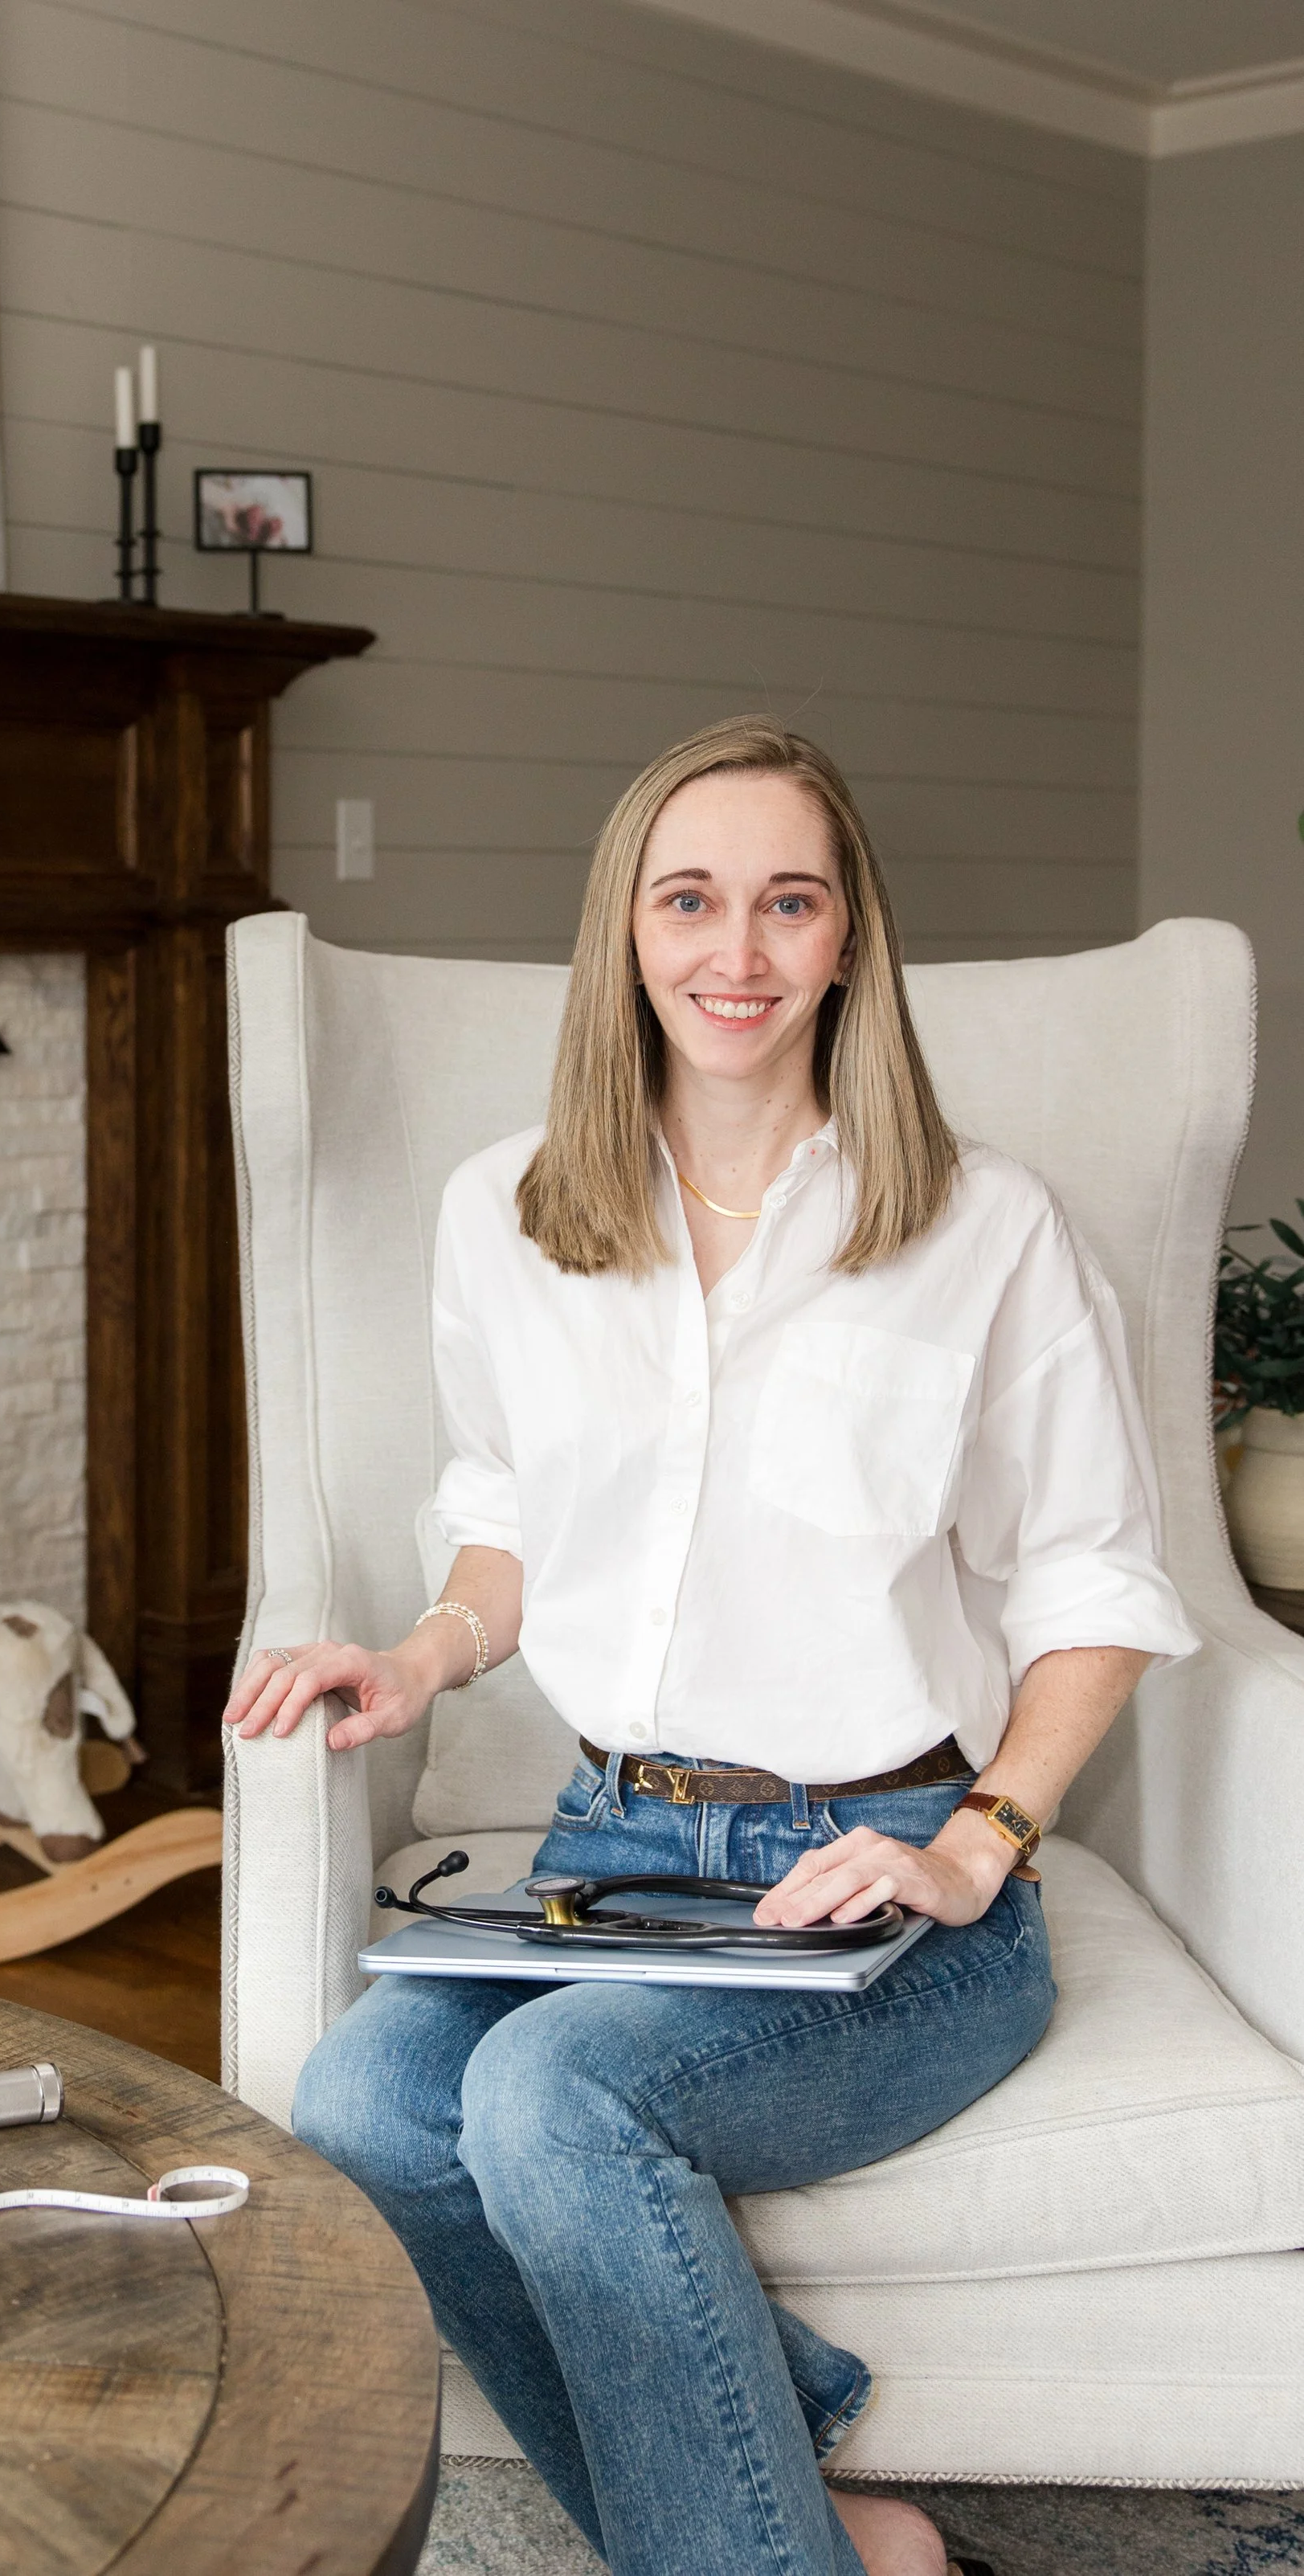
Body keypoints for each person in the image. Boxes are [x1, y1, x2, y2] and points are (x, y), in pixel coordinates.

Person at [223, 718, 1199, 2576]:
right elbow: (503, 1524)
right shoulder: (505, 1218)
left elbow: (1095, 1585)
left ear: (847, 941)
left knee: (544, 2092)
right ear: (625, 932)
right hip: (617, 1856)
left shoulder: (982, 1230)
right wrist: (422, 1659)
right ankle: (810, 2513)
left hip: (891, 1884)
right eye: (688, 899)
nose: (732, 951)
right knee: (362, 2098)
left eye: (784, 901)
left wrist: (971, 1840)